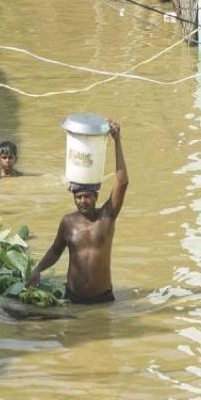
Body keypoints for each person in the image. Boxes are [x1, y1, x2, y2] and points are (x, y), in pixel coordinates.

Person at [27, 121, 128, 304]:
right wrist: (38, 269)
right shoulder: (68, 222)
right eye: (78, 197)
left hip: (103, 298)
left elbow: (122, 182)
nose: (83, 201)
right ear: (74, 198)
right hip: (72, 298)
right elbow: (56, 250)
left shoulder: (107, 217)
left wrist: (117, 141)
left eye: (87, 196)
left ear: (96, 197)